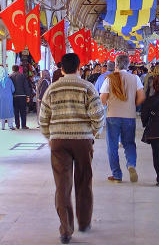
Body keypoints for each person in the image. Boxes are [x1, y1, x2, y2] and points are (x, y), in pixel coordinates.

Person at [39, 53, 104, 244]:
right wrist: (93, 132)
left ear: (61, 69)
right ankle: (84, 222)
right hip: (83, 140)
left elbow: (43, 118)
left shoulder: (52, 88)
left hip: (59, 141)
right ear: (79, 68)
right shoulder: (87, 87)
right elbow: (99, 115)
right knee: (84, 180)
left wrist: (49, 137)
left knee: (62, 185)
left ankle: (66, 230)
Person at [100, 55, 145, 183]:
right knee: (129, 143)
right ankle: (131, 164)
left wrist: (109, 104)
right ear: (128, 64)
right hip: (129, 116)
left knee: (112, 146)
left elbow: (102, 99)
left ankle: (117, 175)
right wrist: (132, 105)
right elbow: (141, 97)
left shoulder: (109, 79)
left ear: (116, 64)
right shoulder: (135, 78)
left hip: (113, 115)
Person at [9, 65, 30, 129]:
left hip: (14, 96)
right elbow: (26, 86)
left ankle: (17, 125)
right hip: (22, 96)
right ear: (18, 69)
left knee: (16, 111)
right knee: (23, 111)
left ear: (12, 69)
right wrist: (28, 95)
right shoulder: (22, 76)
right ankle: (23, 125)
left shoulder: (10, 76)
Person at [0, 66, 15, 130]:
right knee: (9, 110)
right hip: (9, 97)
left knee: (2, 110)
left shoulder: (0, 80)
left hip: (1, 97)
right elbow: (13, 89)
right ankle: (10, 125)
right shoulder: (9, 80)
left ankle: (2, 126)